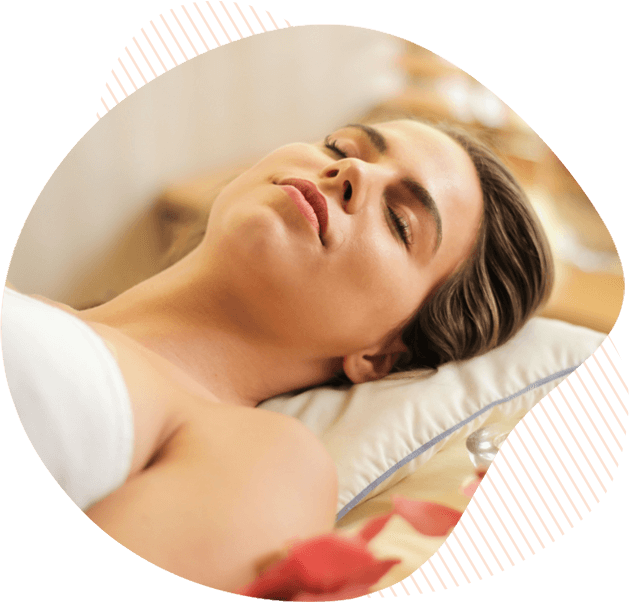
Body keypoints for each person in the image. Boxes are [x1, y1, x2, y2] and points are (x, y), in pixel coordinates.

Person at [3, 117, 553, 593]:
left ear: (381, 355)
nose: (352, 171)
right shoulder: (42, 310)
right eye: (340, 147)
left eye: (399, 221)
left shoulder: (273, 460)